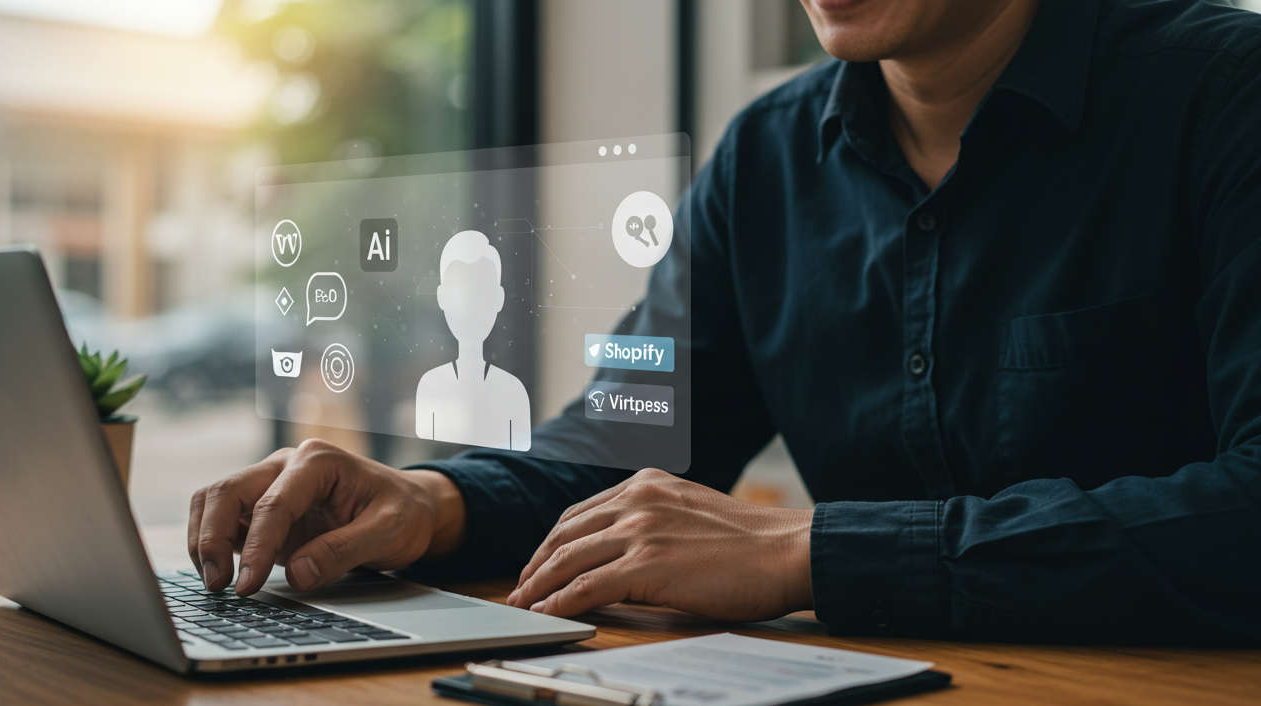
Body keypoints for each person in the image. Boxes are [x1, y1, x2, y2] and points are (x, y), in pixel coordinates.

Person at [188, 0, 1261, 641]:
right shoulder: (765, 159)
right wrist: (430, 502)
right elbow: (623, 440)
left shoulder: (1223, 92)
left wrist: (817, 550)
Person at [414, 230, 532, 451]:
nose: (469, 305)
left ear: (499, 298)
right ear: (441, 296)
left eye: (481, 291)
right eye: (458, 290)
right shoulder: (430, 386)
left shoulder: (513, 392)